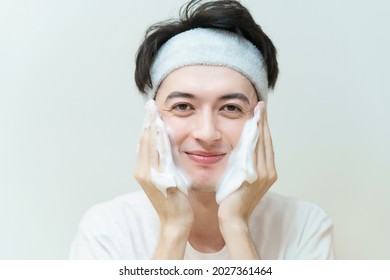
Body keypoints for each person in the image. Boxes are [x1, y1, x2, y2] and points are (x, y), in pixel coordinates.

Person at [69, 0, 334, 260]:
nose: (207, 134)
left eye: (231, 108)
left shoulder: (304, 227)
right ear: (152, 119)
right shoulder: (106, 231)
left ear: (259, 122)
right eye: (183, 106)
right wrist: (173, 230)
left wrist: (235, 225)